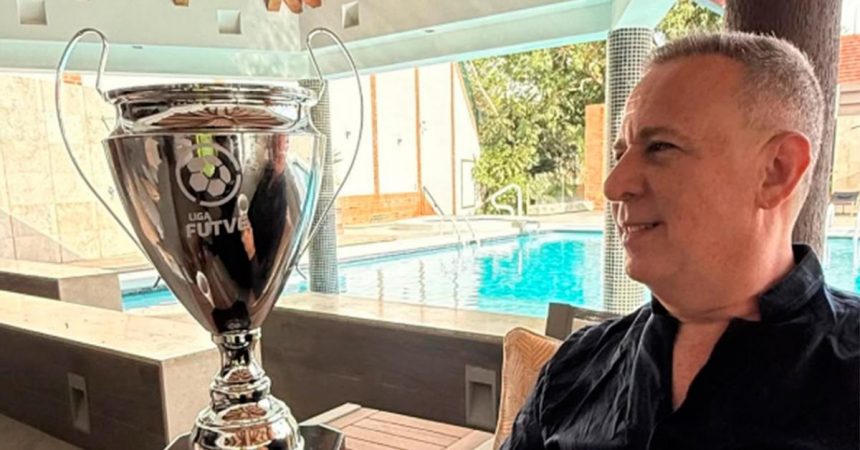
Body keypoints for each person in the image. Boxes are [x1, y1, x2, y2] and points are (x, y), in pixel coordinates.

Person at [501, 32, 860, 450]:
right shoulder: (575, 368)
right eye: (620, 154)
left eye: (660, 147)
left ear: (776, 171)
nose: (614, 185)